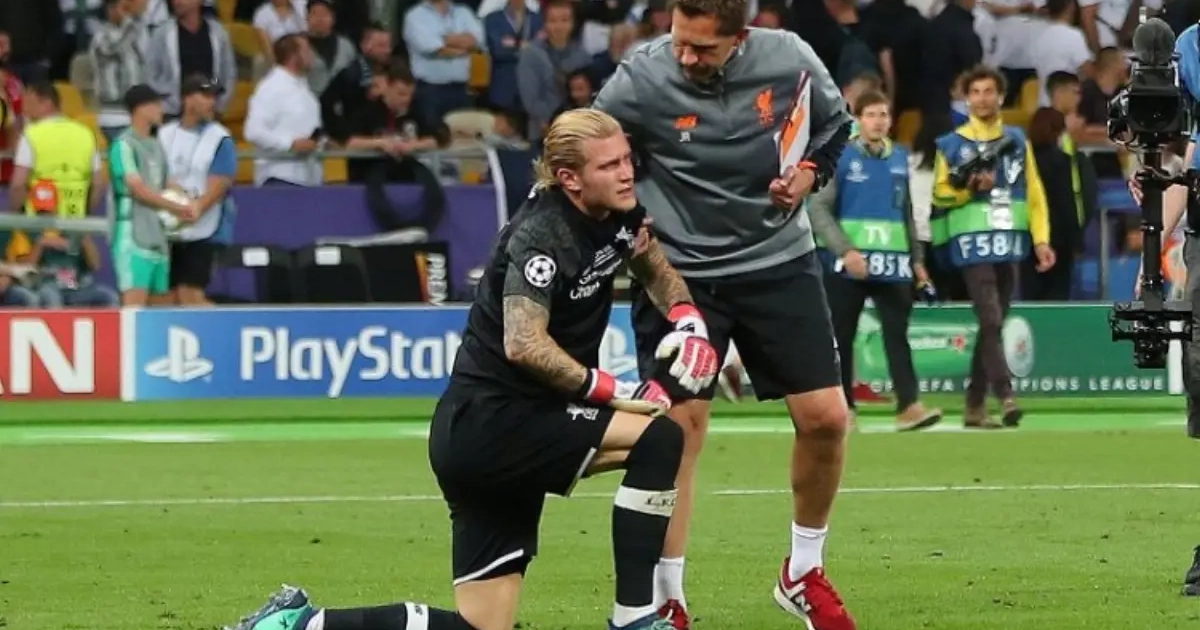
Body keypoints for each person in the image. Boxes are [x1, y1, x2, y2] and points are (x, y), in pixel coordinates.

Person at [223, 108, 720, 630]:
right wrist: (610, 389)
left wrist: (689, 323)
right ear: (570, 178)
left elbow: (652, 267)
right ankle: (634, 617)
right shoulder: (543, 235)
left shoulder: (618, 212)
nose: (626, 173)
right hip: (496, 423)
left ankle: (301, 624)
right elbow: (523, 343)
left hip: (494, 428)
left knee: (479, 628)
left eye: (627, 160)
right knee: (659, 440)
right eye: (609, 165)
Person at [592, 0, 857, 627]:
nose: (685, 56)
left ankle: (802, 571)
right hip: (679, 273)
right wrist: (626, 220)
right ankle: (668, 598)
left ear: (741, 37)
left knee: (826, 418)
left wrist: (809, 173)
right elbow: (585, 150)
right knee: (677, 431)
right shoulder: (640, 78)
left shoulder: (788, 57)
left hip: (778, 258)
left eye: (702, 48)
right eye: (678, 40)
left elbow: (835, 125)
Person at [809, 89, 942, 431]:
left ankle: (909, 406)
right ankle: (844, 410)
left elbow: (906, 213)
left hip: (893, 263)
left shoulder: (899, 158)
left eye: (883, 115)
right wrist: (846, 251)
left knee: (897, 335)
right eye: (871, 115)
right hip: (847, 265)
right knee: (842, 336)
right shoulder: (840, 156)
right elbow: (818, 208)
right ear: (858, 120)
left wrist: (917, 260)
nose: (878, 121)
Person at [930, 65, 1055, 428]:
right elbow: (938, 194)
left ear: (1001, 97)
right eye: (975, 92)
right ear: (966, 99)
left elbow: (1034, 192)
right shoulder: (950, 144)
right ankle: (1006, 396)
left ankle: (974, 406)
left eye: (988, 92)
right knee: (990, 318)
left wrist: (1041, 239)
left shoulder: (1016, 140)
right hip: (972, 243)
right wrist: (968, 189)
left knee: (992, 326)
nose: (982, 99)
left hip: (1009, 241)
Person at [108, 84, 200, 307]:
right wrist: (176, 208)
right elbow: (137, 189)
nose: (162, 109)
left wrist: (191, 200)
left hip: (157, 236)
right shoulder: (123, 145)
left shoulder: (155, 146)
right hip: (133, 235)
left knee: (161, 308)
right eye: (157, 104)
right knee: (134, 306)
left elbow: (166, 182)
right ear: (141, 108)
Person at [157, 75, 238, 306]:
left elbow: (221, 183)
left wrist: (197, 207)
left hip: (205, 228)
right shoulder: (164, 134)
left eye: (214, 97)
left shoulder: (220, 138)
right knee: (165, 297)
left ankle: (228, 325)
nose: (212, 102)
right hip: (168, 225)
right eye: (205, 96)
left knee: (190, 294)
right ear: (187, 98)